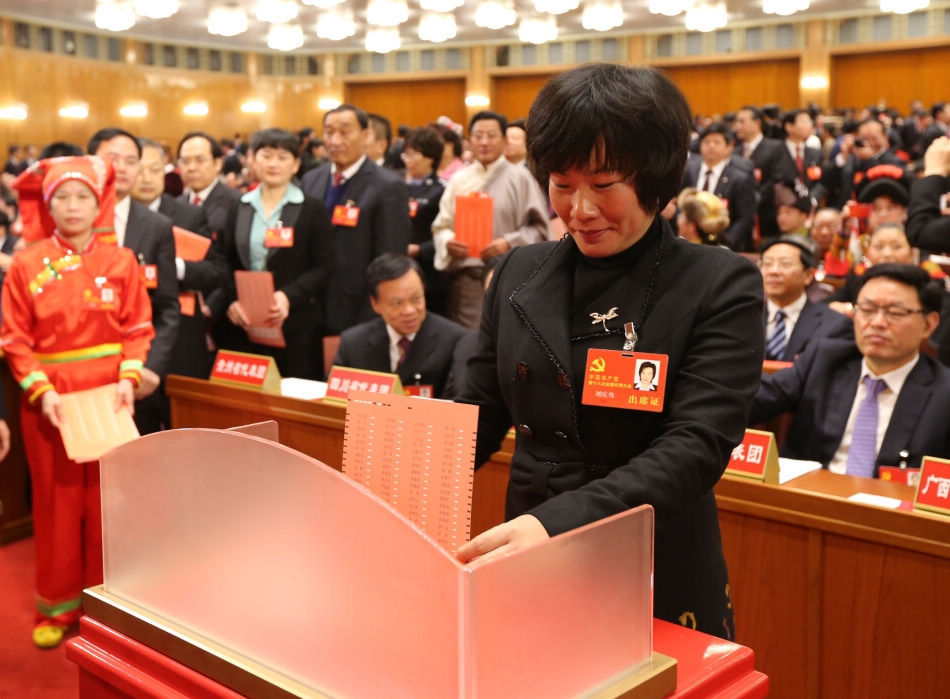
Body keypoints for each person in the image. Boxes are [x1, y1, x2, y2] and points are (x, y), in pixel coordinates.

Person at [455, 64, 765, 640]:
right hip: (527, 549)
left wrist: (557, 524)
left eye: (603, 185)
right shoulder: (521, 270)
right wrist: (398, 476)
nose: (579, 209)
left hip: (651, 555)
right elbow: (478, 407)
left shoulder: (718, 283)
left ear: (655, 181)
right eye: (562, 183)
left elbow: (696, 446)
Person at [4, 156, 154, 647]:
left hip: (111, 398)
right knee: (56, 503)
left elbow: (137, 328)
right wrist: (40, 392)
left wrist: (129, 380)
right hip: (52, 403)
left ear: (99, 203)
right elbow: (15, 339)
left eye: (83, 196)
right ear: (49, 207)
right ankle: (57, 603)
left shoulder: (122, 261)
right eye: (62, 198)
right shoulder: (26, 263)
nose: (73, 207)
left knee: (109, 503)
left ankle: (107, 603)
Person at [750, 264, 949, 473]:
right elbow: (754, 400)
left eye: (895, 312)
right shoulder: (825, 359)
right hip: (806, 496)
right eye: (867, 309)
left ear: (928, 325)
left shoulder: (944, 394)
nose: (877, 322)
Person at [221, 128, 334, 379]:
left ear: (295, 165)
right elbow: (225, 261)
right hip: (246, 324)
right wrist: (232, 300)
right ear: (252, 159)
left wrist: (287, 296)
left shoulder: (311, 208)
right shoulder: (239, 207)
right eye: (267, 155)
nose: (273, 163)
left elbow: (324, 266)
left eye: (283, 157)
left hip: (296, 324)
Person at [88, 127, 179, 435]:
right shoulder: (66, 220)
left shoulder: (156, 227)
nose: (122, 168)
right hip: (77, 372)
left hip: (136, 372)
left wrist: (152, 367)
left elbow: (167, 306)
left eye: (131, 160)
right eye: (112, 158)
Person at [432, 110, 550, 330]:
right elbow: (442, 226)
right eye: (478, 135)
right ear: (470, 140)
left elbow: (541, 230)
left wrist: (509, 242)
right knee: (470, 338)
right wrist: (448, 242)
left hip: (511, 276)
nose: (484, 142)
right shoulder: (459, 179)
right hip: (467, 279)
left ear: (504, 140)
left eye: (492, 135)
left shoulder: (521, 178)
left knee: (509, 335)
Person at [300, 104, 411, 335]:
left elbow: (390, 259)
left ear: (366, 135)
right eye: (329, 132)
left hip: (358, 309)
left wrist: (374, 312)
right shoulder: (311, 179)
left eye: (344, 131)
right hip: (310, 306)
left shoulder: (388, 186)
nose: (335, 140)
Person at [132, 138, 227, 384]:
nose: (147, 178)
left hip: (182, 332)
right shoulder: (111, 217)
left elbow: (216, 271)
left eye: (155, 170)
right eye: (139, 170)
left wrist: (175, 268)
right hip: (131, 331)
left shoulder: (190, 214)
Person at [332, 253, 466, 398]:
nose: (409, 311)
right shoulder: (353, 344)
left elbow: (460, 406)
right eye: (397, 303)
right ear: (375, 304)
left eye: (416, 299)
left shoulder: (455, 341)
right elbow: (333, 401)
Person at [759, 236, 853, 361]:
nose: (774, 271)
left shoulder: (834, 324)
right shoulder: (744, 317)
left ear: (808, 275)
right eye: (767, 263)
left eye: (785, 264)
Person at [680, 122, 757, 251]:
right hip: (688, 241)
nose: (711, 146)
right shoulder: (688, 170)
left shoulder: (740, 178)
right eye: (706, 142)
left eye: (717, 142)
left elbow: (745, 218)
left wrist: (724, 243)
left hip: (724, 244)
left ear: (729, 147)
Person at [403, 126, 448, 316]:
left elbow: (447, 229)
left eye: (413, 155)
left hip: (430, 273)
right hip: (403, 269)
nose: (407, 161)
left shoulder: (442, 190)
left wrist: (421, 250)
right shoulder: (399, 187)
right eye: (405, 155)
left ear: (430, 157)